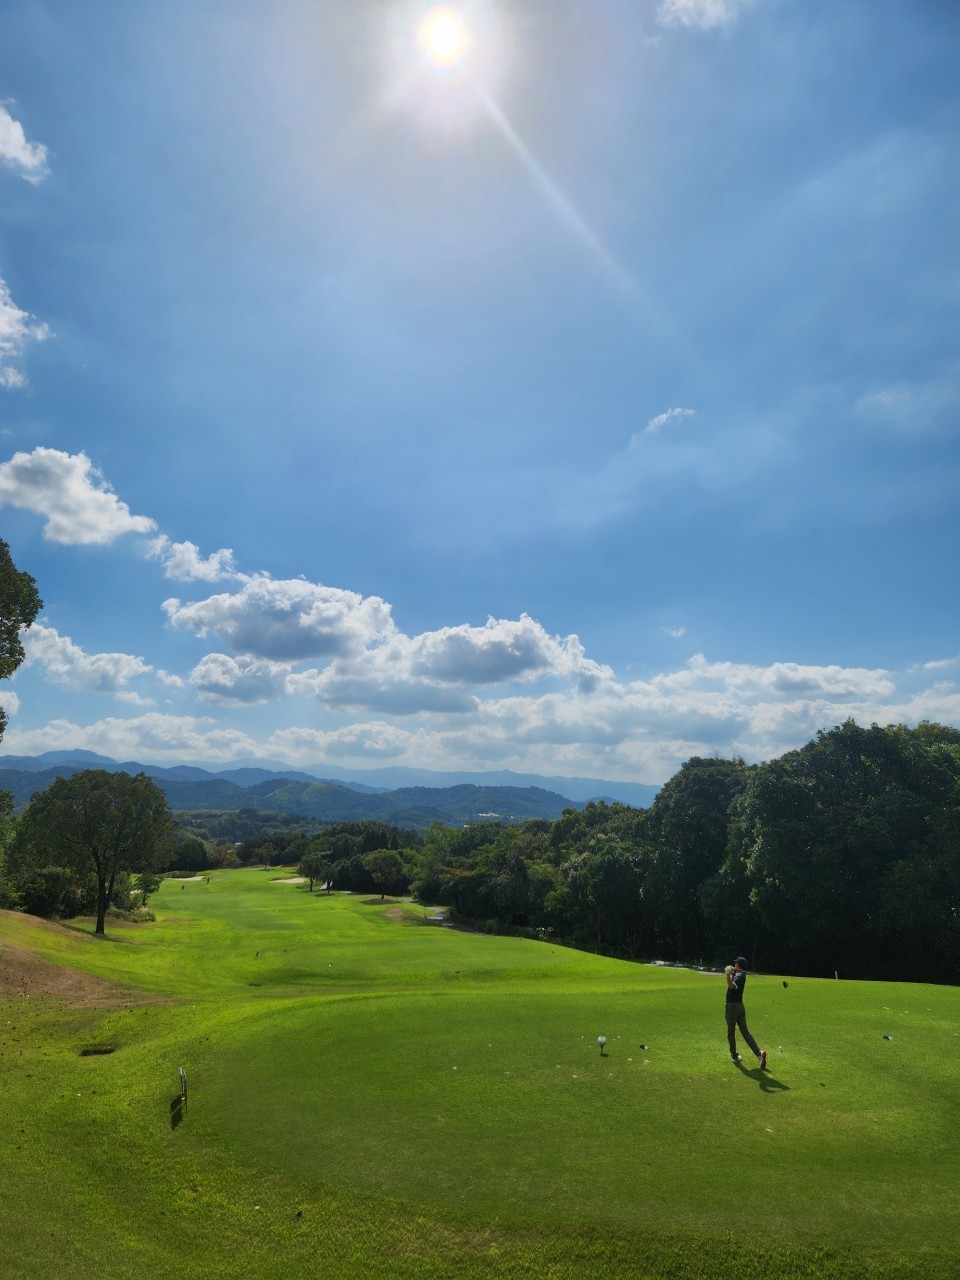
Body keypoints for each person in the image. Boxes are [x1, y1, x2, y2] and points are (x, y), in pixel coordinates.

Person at [725, 956, 767, 1069]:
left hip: (732, 1007)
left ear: (738, 965)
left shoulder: (739, 976)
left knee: (731, 1032)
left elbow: (731, 985)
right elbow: (735, 976)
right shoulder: (740, 975)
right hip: (740, 1007)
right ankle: (759, 1053)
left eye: (735, 964)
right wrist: (731, 971)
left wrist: (727, 974)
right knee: (745, 1032)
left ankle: (734, 1055)